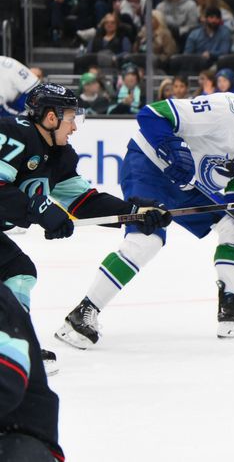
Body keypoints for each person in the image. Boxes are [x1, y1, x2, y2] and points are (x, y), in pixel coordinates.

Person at [56, 71, 234, 349]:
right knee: (147, 239)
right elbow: (150, 115)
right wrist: (174, 149)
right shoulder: (222, 109)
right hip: (150, 168)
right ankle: (83, 312)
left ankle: (231, 308)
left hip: (191, 187)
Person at [0, 83, 170, 459]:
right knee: (17, 271)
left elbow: (84, 201)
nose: (75, 127)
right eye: (72, 118)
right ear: (50, 117)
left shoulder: (58, 157)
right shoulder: (12, 136)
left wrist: (134, 213)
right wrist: (36, 209)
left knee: (19, 272)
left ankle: (17, 345)